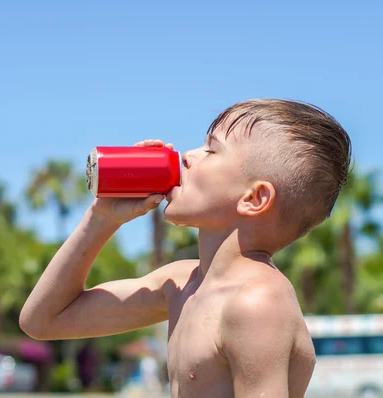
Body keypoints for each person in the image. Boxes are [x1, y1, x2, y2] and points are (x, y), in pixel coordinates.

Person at [19, 99, 352, 397]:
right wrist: (102, 218)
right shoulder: (181, 285)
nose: (187, 156)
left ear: (254, 198)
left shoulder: (257, 303)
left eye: (210, 150)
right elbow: (44, 320)